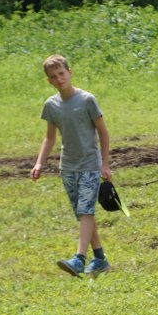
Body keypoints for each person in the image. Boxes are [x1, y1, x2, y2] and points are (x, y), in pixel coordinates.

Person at [30, 54, 112, 277]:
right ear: (49, 81)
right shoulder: (51, 105)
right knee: (83, 213)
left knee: (86, 210)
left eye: (61, 74)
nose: (58, 79)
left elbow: (103, 133)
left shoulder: (87, 100)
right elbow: (49, 138)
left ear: (69, 72)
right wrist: (39, 163)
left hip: (90, 165)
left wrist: (105, 164)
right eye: (53, 77)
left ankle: (79, 259)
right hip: (67, 167)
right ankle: (100, 259)